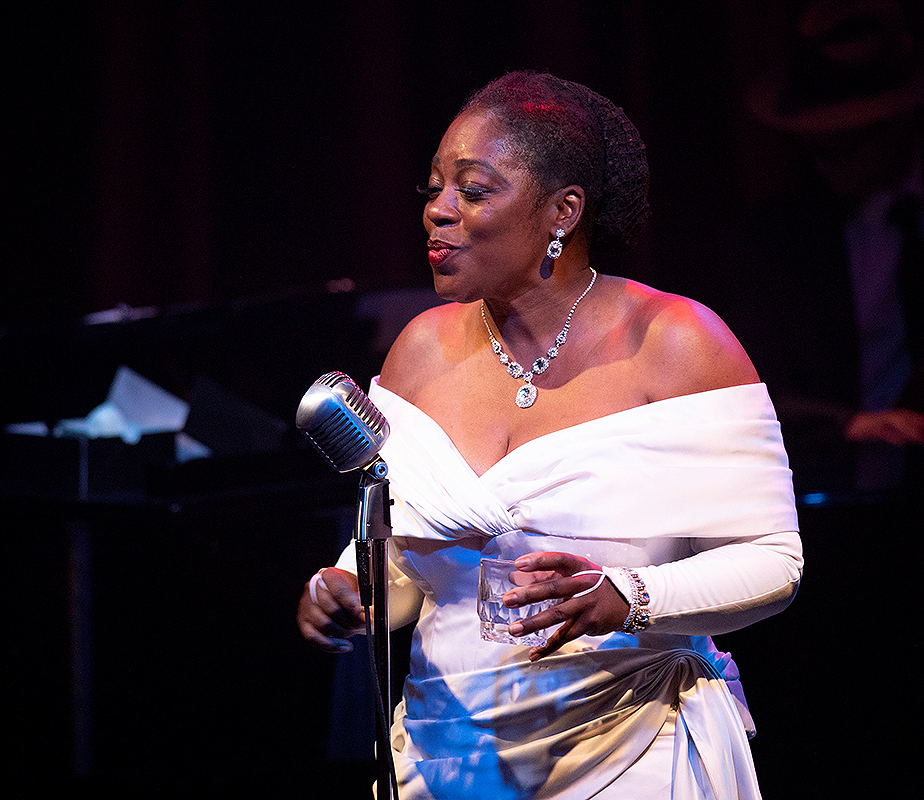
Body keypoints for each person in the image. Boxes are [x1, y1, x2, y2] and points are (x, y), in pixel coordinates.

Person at [297, 71, 803, 799]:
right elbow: (408, 558)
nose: (438, 210)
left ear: (563, 211)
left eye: (474, 190)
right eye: (434, 188)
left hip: (631, 747)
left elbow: (773, 563)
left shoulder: (677, 342)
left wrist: (627, 597)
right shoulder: (419, 351)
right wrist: (348, 585)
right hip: (449, 763)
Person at [724, 0, 924, 500]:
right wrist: (849, 424)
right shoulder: (778, 236)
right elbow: (747, 387)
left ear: (897, 124)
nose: (827, 160)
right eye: (816, 142)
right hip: (830, 493)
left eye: (849, 140)